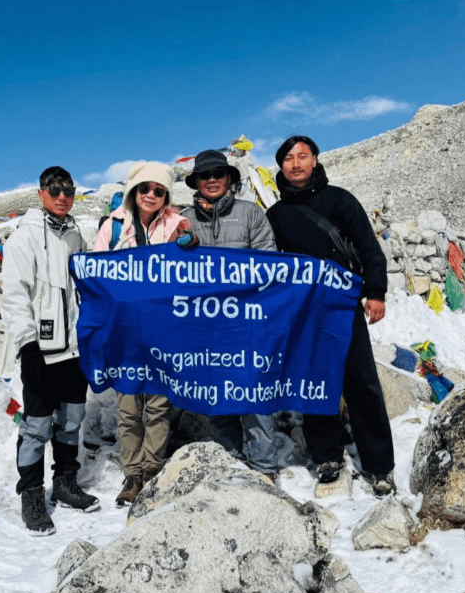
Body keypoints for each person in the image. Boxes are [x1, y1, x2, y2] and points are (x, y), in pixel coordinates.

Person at [264, 136, 395, 497]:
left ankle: (380, 465)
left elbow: (369, 247)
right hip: (303, 311)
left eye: (302, 156)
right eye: (288, 158)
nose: (295, 164)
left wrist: (376, 291)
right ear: (281, 167)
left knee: (361, 381)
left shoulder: (340, 200)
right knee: (315, 380)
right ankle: (326, 455)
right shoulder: (276, 214)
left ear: (315, 160)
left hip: (343, 305)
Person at [0, 166, 99, 535]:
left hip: (73, 348)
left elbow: (85, 286)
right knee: (37, 426)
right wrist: (27, 345)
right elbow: (15, 295)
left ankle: (66, 482)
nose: (62, 196)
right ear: (40, 193)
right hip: (42, 349)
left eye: (68, 190)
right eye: (54, 189)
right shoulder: (23, 238)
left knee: (72, 420)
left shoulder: (75, 234)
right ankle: (30, 492)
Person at [93, 161, 192, 507]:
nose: (151, 195)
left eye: (159, 190)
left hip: (163, 329)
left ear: (166, 195)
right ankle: (132, 471)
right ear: (134, 191)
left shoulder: (177, 224)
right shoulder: (113, 226)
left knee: (158, 405)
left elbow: (193, 268)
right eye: (145, 188)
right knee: (129, 407)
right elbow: (96, 274)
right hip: (124, 331)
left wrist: (189, 243)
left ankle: (152, 468)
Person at [179, 150, 280, 481]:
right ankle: (230, 464)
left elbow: (269, 264)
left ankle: (264, 468)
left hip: (248, 323)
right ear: (196, 182)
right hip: (206, 327)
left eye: (217, 174)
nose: (211, 180)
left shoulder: (251, 214)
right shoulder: (183, 220)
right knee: (218, 396)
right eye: (204, 176)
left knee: (254, 396)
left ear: (229, 179)